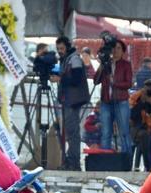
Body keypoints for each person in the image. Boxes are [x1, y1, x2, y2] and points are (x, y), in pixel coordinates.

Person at [53, 36, 90, 171]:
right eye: (58, 49)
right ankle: (71, 160)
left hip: (73, 101)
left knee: (72, 132)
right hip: (68, 100)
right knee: (70, 131)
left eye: (62, 48)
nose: (60, 51)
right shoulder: (68, 59)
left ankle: (73, 162)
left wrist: (60, 78)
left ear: (67, 47)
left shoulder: (74, 59)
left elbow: (76, 78)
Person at [94, 39, 133, 158]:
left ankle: (127, 160)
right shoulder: (106, 64)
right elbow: (96, 81)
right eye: (113, 48)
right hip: (106, 102)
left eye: (118, 48)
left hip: (121, 101)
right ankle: (105, 160)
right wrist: (101, 65)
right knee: (106, 132)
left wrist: (114, 83)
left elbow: (128, 84)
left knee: (124, 132)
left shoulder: (126, 64)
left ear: (123, 51)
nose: (115, 51)